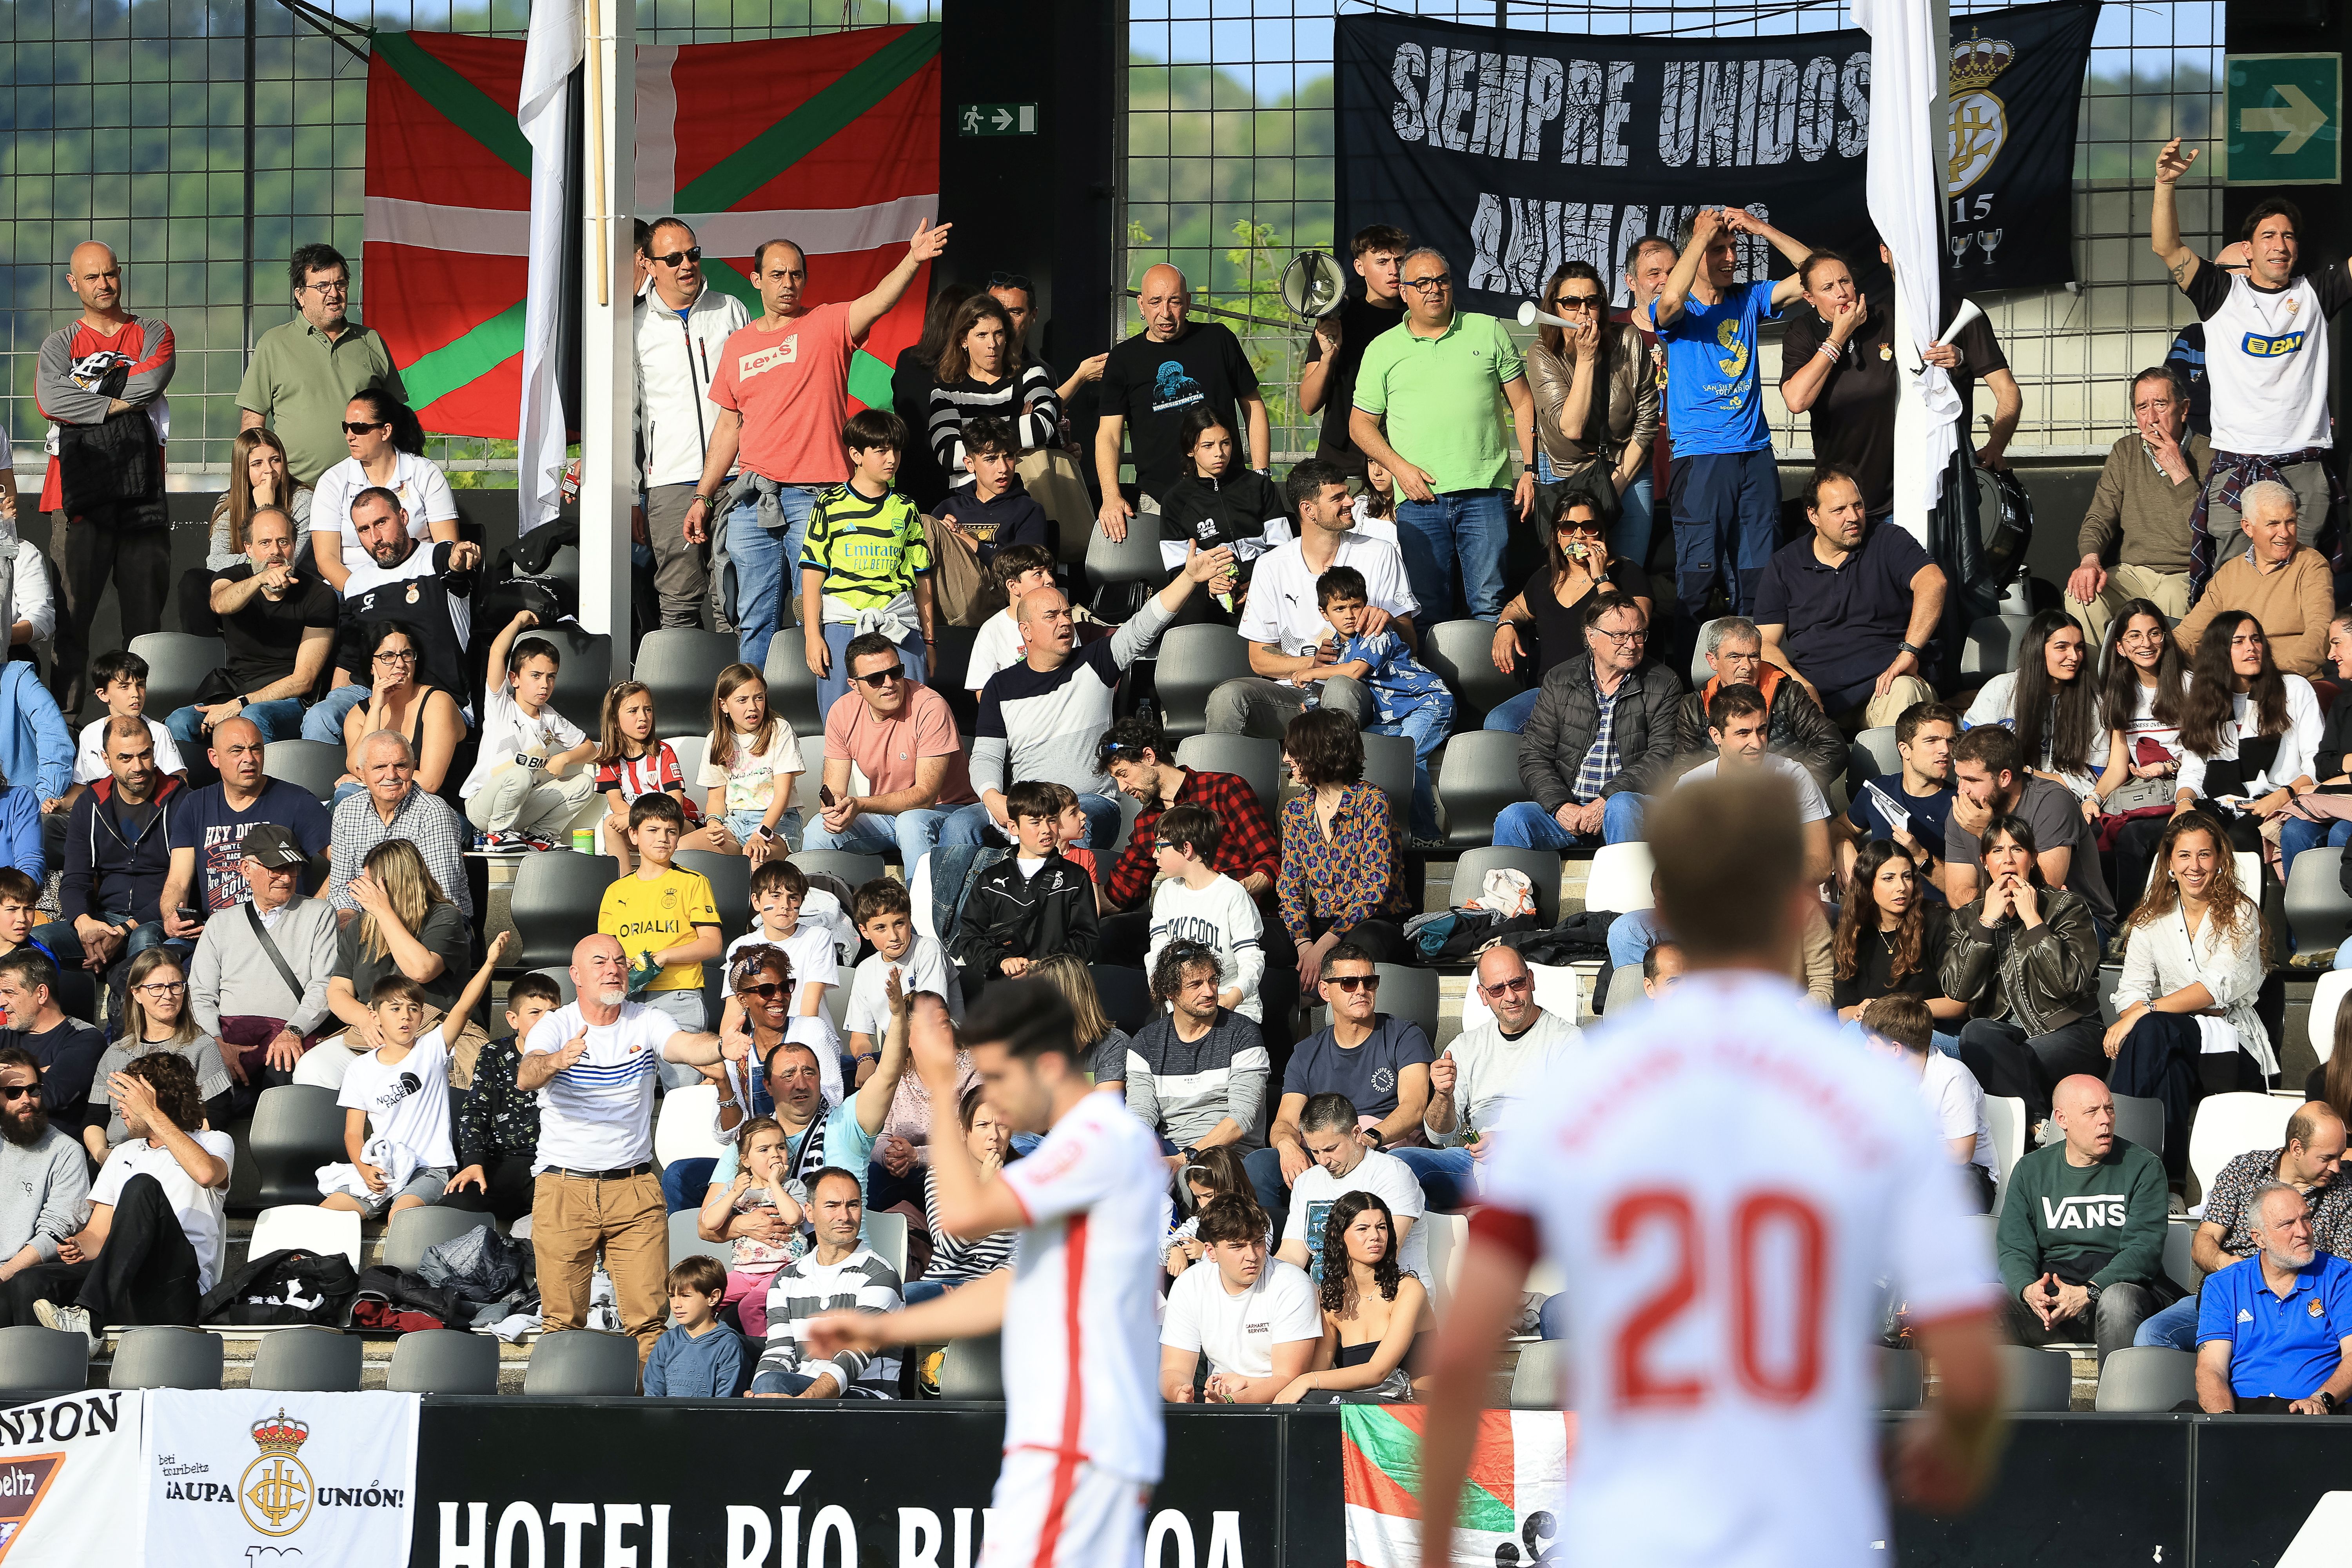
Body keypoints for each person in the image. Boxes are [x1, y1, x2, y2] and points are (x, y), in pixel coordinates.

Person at [1415, 770, 2005, 1568]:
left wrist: (1434, 1549)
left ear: (1664, 905)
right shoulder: (1870, 1094)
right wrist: (1950, 1445)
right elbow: (1971, 1367)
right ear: (1799, 906)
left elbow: (1462, 1357)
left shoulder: (1581, 1089)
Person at [806, 980, 1168, 1568]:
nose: (991, 1096)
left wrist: (941, 1084)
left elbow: (965, 1217)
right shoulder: (1086, 1149)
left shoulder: (1101, 1141)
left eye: (998, 1076)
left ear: (1045, 1065)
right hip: (1067, 1436)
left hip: (1081, 1435)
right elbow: (1009, 1290)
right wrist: (881, 1330)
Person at [690, 221, 952, 669]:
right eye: (777, 274)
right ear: (756, 280)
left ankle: (826, 703)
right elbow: (729, 426)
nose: (788, 283)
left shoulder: (826, 323)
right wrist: (703, 495)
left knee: (824, 615)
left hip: (815, 498)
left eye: (796, 274)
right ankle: (756, 704)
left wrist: (913, 259)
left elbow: (879, 301)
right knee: (753, 620)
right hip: (752, 499)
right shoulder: (738, 346)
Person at [520, 933, 736, 1363]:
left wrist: (720, 1045)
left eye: (620, 960)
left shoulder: (647, 1019)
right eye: (600, 962)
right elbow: (527, 1074)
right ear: (576, 975)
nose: (613, 969)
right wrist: (558, 1060)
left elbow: (683, 1045)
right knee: (561, 1323)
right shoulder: (556, 1025)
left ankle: (648, 1404)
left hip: (634, 1189)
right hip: (564, 1188)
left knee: (650, 1324)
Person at [946, 541, 1234, 849]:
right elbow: (986, 756)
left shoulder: (1096, 661)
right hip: (1028, 806)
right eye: (1052, 616)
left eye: (1067, 614)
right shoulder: (999, 687)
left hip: (1090, 802)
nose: (1065, 622)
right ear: (1026, 631)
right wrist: (993, 798)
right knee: (959, 826)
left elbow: (1145, 624)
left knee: (1070, 826)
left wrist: (1189, 578)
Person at [2151, 142, 2345, 577]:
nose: (2280, 244)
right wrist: (2165, 184)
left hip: (2304, 464)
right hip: (2238, 463)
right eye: (2268, 236)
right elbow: (2167, 247)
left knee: (2301, 584)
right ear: (2248, 248)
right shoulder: (2221, 293)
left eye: (2288, 236)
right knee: (2236, 588)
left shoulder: (2315, 293)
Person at [1347, 244, 1537, 623]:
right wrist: (1400, 469)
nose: (1434, 289)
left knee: (1489, 605)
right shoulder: (1382, 349)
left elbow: (1523, 403)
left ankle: (1489, 666)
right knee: (1426, 608)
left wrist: (1531, 469)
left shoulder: (1488, 330)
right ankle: (1434, 668)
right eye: (1422, 283)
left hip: (1486, 492)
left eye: (1442, 280)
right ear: (1404, 292)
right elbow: (1359, 424)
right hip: (1419, 499)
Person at [1645, 208, 1811, 623]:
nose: (1731, 258)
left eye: (1734, 247)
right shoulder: (1679, 308)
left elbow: (1817, 275)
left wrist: (1761, 228)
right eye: (1718, 249)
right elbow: (1669, 303)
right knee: (1698, 582)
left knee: (1760, 580)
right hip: (1701, 458)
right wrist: (1700, 237)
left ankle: (1753, 665)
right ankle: (1692, 665)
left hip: (1755, 455)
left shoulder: (1748, 298)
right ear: (1695, 251)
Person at [1778, 242, 2015, 521]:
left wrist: (1961, 358)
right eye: (1828, 288)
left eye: (1845, 282)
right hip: (1842, 495)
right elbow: (1797, 401)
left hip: (1900, 494)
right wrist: (1838, 337)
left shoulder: (1887, 318)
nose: (1841, 293)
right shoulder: (1802, 331)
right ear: (1809, 298)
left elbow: (1930, 370)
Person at [37, 240, 174, 719]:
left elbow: (151, 382)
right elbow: (50, 400)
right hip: (74, 497)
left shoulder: (153, 332)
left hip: (143, 495)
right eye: (92, 277)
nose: (104, 284)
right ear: (73, 284)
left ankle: (141, 727)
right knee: (72, 622)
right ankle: (67, 727)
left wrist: (86, 396)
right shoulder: (59, 345)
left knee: (145, 626)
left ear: (121, 273)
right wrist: (118, 402)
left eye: (110, 273)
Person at [13, 1054, 232, 1347]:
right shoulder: (123, 1153)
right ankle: (41, 1368)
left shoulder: (213, 1142)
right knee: (29, 1282)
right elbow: (97, 1234)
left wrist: (153, 1113)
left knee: (142, 1187)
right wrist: (79, 1245)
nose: (119, 1110)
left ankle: (90, 1317)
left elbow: (206, 1174)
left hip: (176, 1286)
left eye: (128, 1100)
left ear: (155, 1099)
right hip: (122, 1282)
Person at [2118, 609, 2322, 906]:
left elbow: (2317, 762)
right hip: (2219, 804)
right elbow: (2193, 770)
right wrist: (2184, 803)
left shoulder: (2293, 689)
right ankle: (2134, 925)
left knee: (2238, 838)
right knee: (2136, 835)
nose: (2251, 648)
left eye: (2256, 639)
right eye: (2238, 642)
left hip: (2279, 802)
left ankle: (2242, 929)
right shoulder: (2205, 700)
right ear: (2219, 651)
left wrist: (2283, 796)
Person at [2105, 812, 2272, 1175]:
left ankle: (2111, 1148)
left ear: (2219, 860)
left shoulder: (2241, 912)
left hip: (2233, 1044)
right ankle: (2171, 1186)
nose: (2194, 866)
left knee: (2153, 1027)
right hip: (2171, 1040)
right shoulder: (2150, 919)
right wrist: (2145, 1012)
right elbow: (2130, 991)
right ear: (2169, 863)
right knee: (2170, 1069)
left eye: (2204, 855)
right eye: (2184, 855)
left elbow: (2216, 988)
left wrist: (2147, 1011)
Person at [1209, 459, 1405, 739]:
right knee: (1228, 696)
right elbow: (1259, 658)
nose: (1351, 502)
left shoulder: (1380, 553)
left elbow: (1410, 640)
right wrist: (1311, 665)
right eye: (1337, 497)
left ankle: (1334, 769)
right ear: (1308, 509)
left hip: (1364, 690)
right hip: (1295, 693)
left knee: (1339, 687)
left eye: (1347, 493)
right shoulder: (1271, 564)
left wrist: (1390, 622)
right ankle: (1222, 770)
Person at [1248, 943, 1431, 1238]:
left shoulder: (1405, 1036)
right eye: (1349, 983)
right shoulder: (1306, 1052)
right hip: (1324, 1153)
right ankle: (1279, 1250)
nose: (1361, 990)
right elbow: (1284, 1122)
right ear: (1325, 991)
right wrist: (1288, 1146)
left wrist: (1367, 1141)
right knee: (1260, 1164)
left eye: (1369, 982)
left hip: (1383, 1148)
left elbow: (1414, 1107)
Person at [2137, 1102, 2350, 1352]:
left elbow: (2341, 1275)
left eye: (2340, 1156)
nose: (2337, 1167)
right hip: (2228, 1299)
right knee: (2152, 1335)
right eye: (2327, 1158)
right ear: (2297, 1148)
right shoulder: (2244, 1172)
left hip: (2299, 1306)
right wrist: (2229, 1266)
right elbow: (2205, 1240)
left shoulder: (2343, 1195)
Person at [1945, 813, 2105, 1136]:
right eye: (1997, 851)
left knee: (2013, 1059)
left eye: (2017, 849)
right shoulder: (1965, 919)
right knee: (1976, 1035)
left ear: (2032, 859)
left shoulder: (2066, 907)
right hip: (2004, 1036)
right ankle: (2039, 1128)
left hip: (2071, 1029)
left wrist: (2033, 921)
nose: (2007, 859)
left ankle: (2032, 1131)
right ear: (1984, 862)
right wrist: (1986, 924)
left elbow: (2069, 984)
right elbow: (1958, 988)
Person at [1998, 1069, 2169, 1365]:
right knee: (1978, 1306)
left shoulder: (2144, 1166)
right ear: (2062, 1119)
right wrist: (2028, 1290)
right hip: (2052, 1296)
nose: (2106, 1120)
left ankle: (2118, 1396)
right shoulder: (2030, 1170)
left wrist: (2090, 1291)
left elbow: (2144, 1250)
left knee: (2118, 1302)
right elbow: (2014, 1247)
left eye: (2110, 1109)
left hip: (2117, 1290)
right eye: (2092, 1112)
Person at [1755, 465, 1946, 729]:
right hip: (1818, 701)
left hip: (1886, 687)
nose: (1853, 517)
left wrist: (1910, 652)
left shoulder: (1887, 540)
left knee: (1904, 691)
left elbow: (1934, 582)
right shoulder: (1784, 565)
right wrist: (1799, 684)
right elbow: (1764, 643)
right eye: (1839, 511)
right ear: (1813, 516)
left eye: (1857, 506)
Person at [1494, 591, 1678, 850]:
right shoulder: (1560, 680)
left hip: (1629, 807)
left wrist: (1606, 801)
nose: (1631, 644)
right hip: (1572, 806)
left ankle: (1627, 878)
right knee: (1513, 819)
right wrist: (1561, 806)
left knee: (1621, 806)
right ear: (1592, 637)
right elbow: (1534, 754)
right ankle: (1508, 880)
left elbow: (1662, 756)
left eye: (1639, 635)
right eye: (1619, 636)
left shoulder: (1663, 683)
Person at [632, 216, 748, 630]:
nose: (687, 265)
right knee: (678, 602)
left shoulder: (730, 309)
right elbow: (627, 415)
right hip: (671, 481)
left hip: (736, 475)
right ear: (648, 264)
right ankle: (683, 676)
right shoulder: (634, 325)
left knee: (734, 599)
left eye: (693, 254)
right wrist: (631, 494)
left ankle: (737, 675)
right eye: (674, 258)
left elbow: (753, 396)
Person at [299, 489, 484, 746]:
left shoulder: (435, 559)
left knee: (397, 742)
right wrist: (334, 702)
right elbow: (348, 660)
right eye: (364, 530)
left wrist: (459, 559)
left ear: (404, 517)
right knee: (321, 716)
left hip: (434, 694)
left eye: (381, 523)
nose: (375, 538)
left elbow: (455, 566)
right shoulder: (355, 584)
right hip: (370, 691)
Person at [1095, 263, 1267, 537]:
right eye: (1155, 302)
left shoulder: (1218, 340)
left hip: (1229, 491)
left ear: (1187, 302)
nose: (1165, 313)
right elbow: (1109, 435)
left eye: (1174, 301)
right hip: (1159, 501)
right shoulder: (1124, 359)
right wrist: (1111, 496)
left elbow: (1253, 407)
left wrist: (1260, 476)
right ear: (1141, 304)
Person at [1409, 944, 1577, 1213]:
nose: (1510, 996)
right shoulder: (1465, 1046)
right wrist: (1443, 1096)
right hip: (1473, 1162)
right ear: (1483, 995)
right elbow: (1438, 1136)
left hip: (1538, 1161)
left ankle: (1483, 1217)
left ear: (1531, 981)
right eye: (1498, 989)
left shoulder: (1566, 1041)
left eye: (1517, 983)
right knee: (1399, 1165)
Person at [1098, 714, 1279, 958]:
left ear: (1149, 757)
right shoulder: (1147, 822)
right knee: (1107, 935)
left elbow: (1270, 861)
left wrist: (1230, 893)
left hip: (1241, 921)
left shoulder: (1224, 788)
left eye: (1123, 774)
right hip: (1183, 927)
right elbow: (1119, 895)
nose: (1122, 788)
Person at [186, 824, 339, 1104]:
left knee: (282, 1091)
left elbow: (324, 984)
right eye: (275, 868)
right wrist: (216, 1044)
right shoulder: (221, 922)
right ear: (246, 869)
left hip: (289, 1035)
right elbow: (201, 994)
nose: (285, 877)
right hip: (228, 1035)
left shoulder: (319, 914)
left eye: (292, 868)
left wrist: (293, 1031)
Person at [168, 504, 336, 754]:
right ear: (249, 549)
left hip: (288, 699)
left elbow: (303, 680)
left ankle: (267, 781)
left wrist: (241, 704)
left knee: (253, 718)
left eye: (283, 542)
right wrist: (260, 579)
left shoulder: (319, 595)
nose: (275, 551)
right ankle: (193, 780)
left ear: (294, 545)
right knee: (180, 722)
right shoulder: (231, 577)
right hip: (235, 687)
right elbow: (220, 604)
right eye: (265, 543)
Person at [799, 408, 935, 715]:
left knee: (912, 715)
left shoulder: (906, 508)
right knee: (841, 717)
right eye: (882, 451)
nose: (892, 459)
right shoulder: (828, 504)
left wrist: (929, 642)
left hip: (899, 624)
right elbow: (812, 572)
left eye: (896, 450)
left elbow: (922, 577)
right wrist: (812, 635)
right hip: (843, 625)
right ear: (856, 455)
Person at [237, 241, 406, 487]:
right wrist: (255, 484)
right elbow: (253, 424)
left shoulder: (370, 341)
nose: (334, 293)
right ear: (300, 295)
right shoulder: (274, 344)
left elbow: (398, 417)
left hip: (368, 487)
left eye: (341, 284)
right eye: (323, 286)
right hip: (297, 487)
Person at [1486, 495, 1657, 736]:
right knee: (1499, 722)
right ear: (1557, 536)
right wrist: (1505, 624)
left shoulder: (1626, 573)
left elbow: (1633, 625)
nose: (1579, 536)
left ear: (1601, 533)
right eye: (1568, 528)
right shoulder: (1546, 577)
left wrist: (1600, 577)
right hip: (1550, 693)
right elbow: (1517, 607)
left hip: (1605, 692)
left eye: (1589, 527)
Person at [2065, 367, 2212, 639]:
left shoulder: (2209, 454)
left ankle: (2170, 670)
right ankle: (2098, 670)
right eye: (2142, 408)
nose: (2152, 418)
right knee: (2081, 596)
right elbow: (2099, 517)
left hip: (2184, 573)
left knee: (2172, 598)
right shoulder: (2126, 451)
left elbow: (2207, 531)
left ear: (2183, 409)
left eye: (2160, 405)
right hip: (2132, 572)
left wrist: (2180, 472)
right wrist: (2090, 560)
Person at [803, 633, 973, 866]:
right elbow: (834, 788)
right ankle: (820, 891)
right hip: (889, 815)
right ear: (855, 686)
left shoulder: (931, 707)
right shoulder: (841, 712)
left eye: (895, 672)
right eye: (875, 679)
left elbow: (925, 797)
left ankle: (921, 892)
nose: (889, 683)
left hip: (946, 811)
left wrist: (861, 804)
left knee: (911, 823)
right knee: (819, 829)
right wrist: (836, 809)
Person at [318, 973, 477, 1219]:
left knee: (401, 1216)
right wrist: (364, 1169)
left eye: (413, 1009)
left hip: (430, 1168)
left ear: (421, 1016)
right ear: (375, 1017)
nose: (406, 1016)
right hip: (385, 1168)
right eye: (395, 1009)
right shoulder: (360, 1068)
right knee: (324, 1215)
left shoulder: (432, 1049)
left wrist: (490, 963)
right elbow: (353, 1133)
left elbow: (464, 1008)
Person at [45, 716, 184, 996]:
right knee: (38, 941)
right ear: (106, 760)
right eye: (125, 758)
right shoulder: (91, 803)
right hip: (103, 918)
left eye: (145, 754)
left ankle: (130, 1021)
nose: (138, 766)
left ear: (154, 750)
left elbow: (182, 886)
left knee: (145, 944)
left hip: (156, 918)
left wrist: (124, 931)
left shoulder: (182, 801)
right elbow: (75, 879)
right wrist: (84, 923)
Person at [1524, 259, 1658, 551]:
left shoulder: (1629, 341)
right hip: (1567, 471)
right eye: (1571, 302)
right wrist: (1586, 358)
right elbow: (1572, 427)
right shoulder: (1542, 354)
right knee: (1575, 565)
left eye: (1592, 301)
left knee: (1629, 563)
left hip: (1627, 466)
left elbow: (1647, 423)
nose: (1583, 311)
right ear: (1555, 309)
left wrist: (1617, 485)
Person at [1276, 709, 1414, 987]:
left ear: (1317, 752)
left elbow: (1373, 888)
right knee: (1266, 939)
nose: (1286, 759)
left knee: (1359, 947)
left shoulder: (1372, 801)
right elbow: (1290, 886)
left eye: (1293, 751)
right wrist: (1304, 943)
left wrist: (1323, 946)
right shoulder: (1295, 811)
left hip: (1373, 921)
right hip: (1319, 922)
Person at [1945, 724, 2118, 941]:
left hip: (2075, 922)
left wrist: (1987, 834)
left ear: (2005, 778)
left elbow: (2046, 891)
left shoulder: (2052, 802)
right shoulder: (1964, 810)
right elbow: (1958, 895)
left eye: (1972, 780)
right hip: (1999, 922)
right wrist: (1994, 911)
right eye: (1959, 778)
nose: (1962, 789)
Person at [750, 1165, 906, 1398]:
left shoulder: (881, 1275)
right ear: (809, 1213)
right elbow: (777, 1351)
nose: (845, 1216)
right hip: (802, 1396)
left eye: (853, 1205)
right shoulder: (785, 1279)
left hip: (866, 1398)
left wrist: (803, 1403)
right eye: (832, 1206)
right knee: (767, 1381)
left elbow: (854, 1356)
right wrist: (761, 1396)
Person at [2196, 1183, 2352, 1414]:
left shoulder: (2339, 1276)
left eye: (2306, 1219)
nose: (2303, 1232)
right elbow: (2211, 1369)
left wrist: (2321, 1400)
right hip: (2247, 1411)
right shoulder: (2223, 1285)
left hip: (2320, 1412)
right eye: (2287, 1224)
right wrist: (2224, 1422)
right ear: (2259, 1239)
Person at [1160, 1192, 1322, 1404]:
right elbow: (1174, 1369)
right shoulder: (1189, 1284)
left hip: (1285, 1406)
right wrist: (1180, 1393)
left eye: (1258, 1242)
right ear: (1211, 1252)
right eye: (1237, 1247)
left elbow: (1288, 1378)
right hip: (1219, 1400)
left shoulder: (1293, 1284)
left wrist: (1229, 1401)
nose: (1252, 1256)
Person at [322, 838, 477, 1057]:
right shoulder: (359, 926)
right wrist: (365, 1019)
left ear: (392, 883)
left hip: (432, 1030)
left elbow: (421, 971)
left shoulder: (445, 917)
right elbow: (338, 990)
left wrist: (383, 911)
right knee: (313, 1067)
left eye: (370, 882)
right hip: (374, 1032)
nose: (364, 889)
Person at [1272, 1191, 1429, 1404]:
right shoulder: (1330, 1299)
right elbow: (1319, 1370)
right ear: (1340, 1236)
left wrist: (1307, 1380)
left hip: (1418, 1407)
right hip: (1363, 1407)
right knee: (1306, 1401)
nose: (1375, 1236)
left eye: (1382, 1227)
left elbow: (1378, 1372)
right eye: (1363, 1229)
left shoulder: (1409, 1290)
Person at [461, 611, 599, 852]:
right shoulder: (501, 705)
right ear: (514, 679)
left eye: (551, 677)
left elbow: (589, 748)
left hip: (520, 808)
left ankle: (540, 835)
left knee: (585, 783)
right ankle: (497, 836)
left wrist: (564, 758)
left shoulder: (550, 717)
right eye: (536, 676)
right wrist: (518, 622)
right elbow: (497, 652)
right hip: (483, 807)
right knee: (521, 775)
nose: (545, 685)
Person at [1124, 940, 1269, 1160]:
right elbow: (1140, 1117)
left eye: (1213, 980)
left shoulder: (1243, 1033)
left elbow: (1242, 1119)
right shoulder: (1145, 1043)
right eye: (1196, 985)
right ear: (1170, 992)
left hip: (1229, 1156)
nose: (1209, 992)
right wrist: (1152, 1162)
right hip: (1171, 1152)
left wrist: (1185, 1158)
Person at [2174, 480, 2334, 678]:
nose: (2284, 533)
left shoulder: (2311, 564)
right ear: (2248, 528)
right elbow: (2190, 634)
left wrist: (2276, 677)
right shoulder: (2229, 572)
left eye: (2290, 522)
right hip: (2236, 681)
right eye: (2273, 524)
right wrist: (2160, 654)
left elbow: (2321, 632)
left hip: (2292, 679)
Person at [597, 793, 721, 1048]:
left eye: (671, 831)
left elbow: (712, 944)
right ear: (634, 835)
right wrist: (619, 962)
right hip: (627, 999)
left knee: (679, 1073)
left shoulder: (694, 882)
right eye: (652, 830)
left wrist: (664, 957)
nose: (663, 838)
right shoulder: (615, 892)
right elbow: (606, 947)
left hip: (679, 996)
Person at [1675, 685, 1834, 883]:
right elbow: (1667, 872)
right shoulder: (1690, 787)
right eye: (1743, 733)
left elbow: (1821, 864)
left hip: (1785, 895)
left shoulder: (1793, 777)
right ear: (1716, 736)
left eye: (1761, 730)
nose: (1757, 744)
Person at [951, 780, 1099, 988]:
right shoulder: (989, 881)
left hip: (1059, 989)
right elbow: (970, 939)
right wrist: (1002, 961)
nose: (1046, 830)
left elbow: (1087, 938)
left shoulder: (1076, 877)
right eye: (1035, 822)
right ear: (1014, 827)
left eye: (1052, 820)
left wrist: (1046, 966)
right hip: (1005, 991)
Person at [306, 391, 458, 592]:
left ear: (386, 432)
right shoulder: (332, 481)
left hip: (418, 585)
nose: (349, 436)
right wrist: (362, 596)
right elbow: (327, 560)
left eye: (359, 428)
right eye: (346, 427)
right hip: (353, 588)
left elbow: (447, 548)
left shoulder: (426, 473)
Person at [1668, 614, 1842, 789]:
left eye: (1754, 656)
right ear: (1713, 661)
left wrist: (1793, 790)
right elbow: (1684, 770)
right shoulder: (1694, 705)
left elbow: (1832, 747)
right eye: (1735, 657)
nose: (1747, 667)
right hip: (1722, 801)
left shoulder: (1789, 693)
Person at [88, 947, 231, 1158]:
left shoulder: (202, 1046)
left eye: (175, 986)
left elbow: (218, 1114)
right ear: (136, 993)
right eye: (156, 988)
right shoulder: (115, 1053)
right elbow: (95, 1118)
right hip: (119, 1156)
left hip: (176, 1157)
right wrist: (103, 1156)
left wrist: (162, 1150)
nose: (168, 995)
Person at [439, 958, 550, 1226]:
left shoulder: (568, 1056)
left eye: (554, 1013)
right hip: (499, 1162)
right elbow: (475, 1111)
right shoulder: (494, 1053)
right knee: (455, 1204)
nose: (546, 1021)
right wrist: (473, 1161)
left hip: (550, 1166)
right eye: (535, 1013)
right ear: (513, 1019)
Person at [1862, 994, 1996, 1212]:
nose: (1866, 1049)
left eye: (1872, 1042)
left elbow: (1961, 1155)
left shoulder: (1953, 1077)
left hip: (1968, 1176)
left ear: (1896, 1049)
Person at [1297, 224, 1410, 480]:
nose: (1394, 270)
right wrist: (1328, 358)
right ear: (1360, 268)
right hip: (1342, 464)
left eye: (1400, 260)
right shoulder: (1338, 319)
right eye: (1382, 262)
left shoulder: (1418, 320)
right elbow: (1308, 404)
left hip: (1402, 462)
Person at [326, 730, 473, 922]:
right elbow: (341, 887)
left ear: (413, 768)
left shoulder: (433, 812)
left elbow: (441, 895)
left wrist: (383, 921)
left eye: (400, 766)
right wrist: (347, 922)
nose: (391, 775)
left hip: (430, 922)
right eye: (380, 767)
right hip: (368, 922)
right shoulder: (347, 811)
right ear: (361, 774)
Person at [1962, 611, 2105, 807]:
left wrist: (2029, 774)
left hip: (2063, 803)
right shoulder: (2000, 689)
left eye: (2079, 647)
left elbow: (2094, 777)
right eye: (2062, 647)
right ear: (2038, 649)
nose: (2074, 656)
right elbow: (1971, 760)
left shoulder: (2093, 700)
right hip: (2000, 800)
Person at [1834, 841, 1964, 1050]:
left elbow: (1959, 1004)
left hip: (1939, 1034)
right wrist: (1864, 1009)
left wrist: (1893, 1011)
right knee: (1854, 1033)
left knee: (1865, 1038)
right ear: (1868, 884)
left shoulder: (1938, 921)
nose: (1901, 887)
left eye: (1907, 877)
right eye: (1889, 878)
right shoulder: (1854, 932)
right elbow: (1843, 1013)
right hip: (1879, 1035)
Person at [1154, 406, 1292, 599]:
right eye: (1208, 446)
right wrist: (1211, 590)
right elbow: (1176, 569)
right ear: (1190, 450)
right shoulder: (1175, 501)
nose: (1219, 453)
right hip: (1208, 597)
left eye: (1225, 443)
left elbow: (1282, 549)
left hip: (1266, 586)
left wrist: (1257, 582)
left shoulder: (1259, 486)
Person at [924, 293, 1063, 485]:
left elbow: (1043, 425)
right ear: (964, 341)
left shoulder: (1031, 374)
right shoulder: (946, 392)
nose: (993, 344)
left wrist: (973, 443)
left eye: (999, 333)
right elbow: (948, 454)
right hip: (971, 497)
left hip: (1028, 490)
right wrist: (1020, 431)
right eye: (982, 335)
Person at [1145, 806, 1265, 1022]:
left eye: (1160, 845)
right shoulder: (1166, 891)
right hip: (1183, 1011)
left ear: (1186, 849)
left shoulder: (1232, 894)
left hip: (1232, 1011)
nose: (1155, 854)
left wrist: (1233, 998)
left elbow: (1251, 958)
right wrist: (1168, 996)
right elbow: (1157, 953)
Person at [844, 881, 962, 1093]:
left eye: (899, 923)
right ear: (864, 931)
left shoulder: (928, 949)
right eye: (881, 928)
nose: (893, 936)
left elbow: (930, 1023)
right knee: (840, 1071)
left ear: (910, 920)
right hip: (897, 1056)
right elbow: (860, 1037)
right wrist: (865, 1060)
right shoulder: (865, 970)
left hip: (942, 1052)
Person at [330, 621, 463, 806]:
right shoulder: (359, 714)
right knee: (347, 795)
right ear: (371, 666)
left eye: (407, 655)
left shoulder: (437, 702)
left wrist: (368, 779)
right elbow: (357, 766)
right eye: (388, 656)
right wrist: (376, 708)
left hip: (438, 809)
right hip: (387, 806)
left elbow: (430, 783)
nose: (400, 664)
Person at [910, 1084, 1016, 1305]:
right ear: (963, 1130)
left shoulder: (1023, 1177)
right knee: (894, 1301)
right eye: (983, 1125)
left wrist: (986, 1286)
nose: (994, 1136)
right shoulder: (943, 1175)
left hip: (997, 1288)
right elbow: (947, 1247)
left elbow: (1025, 1252)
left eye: (1002, 1125)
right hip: (943, 1283)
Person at [1840, 701, 1958, 899]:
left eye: (1951, 741)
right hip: (1880, 912)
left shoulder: (1961, 805)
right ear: (1905, 750)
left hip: (1937, 913)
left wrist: (1920, 856)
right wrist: (1843, 848)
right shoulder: (1878, 791)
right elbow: (1842, 827)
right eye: (1932, 741)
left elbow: (1965, 892)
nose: (1945, 750)